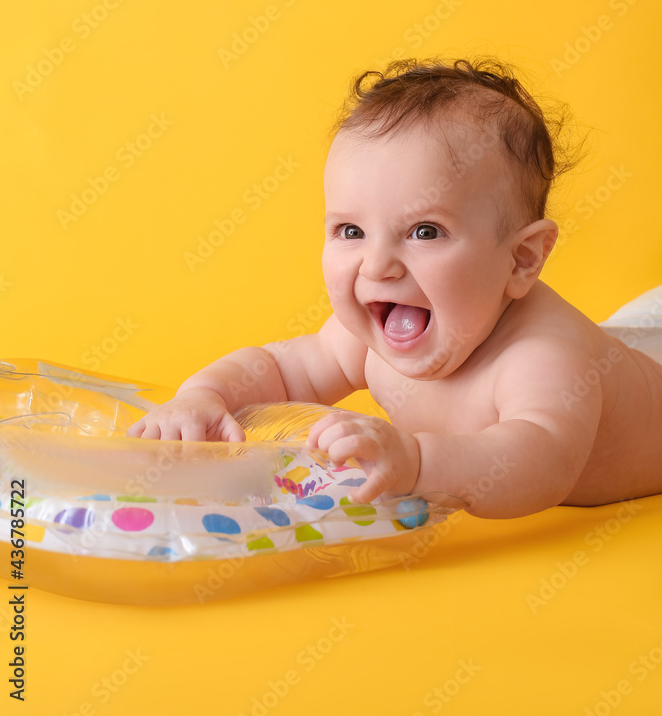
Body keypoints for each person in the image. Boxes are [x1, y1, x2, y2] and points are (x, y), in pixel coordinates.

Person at [126, 58, 662, 518]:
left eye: (424, 231)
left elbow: (544, 462)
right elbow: (278, 367)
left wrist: (419, 463)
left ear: (521, 259)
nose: (377, 265)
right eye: (351, 232)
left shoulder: (545, 354)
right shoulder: (367, 335)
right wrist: (203, 395)